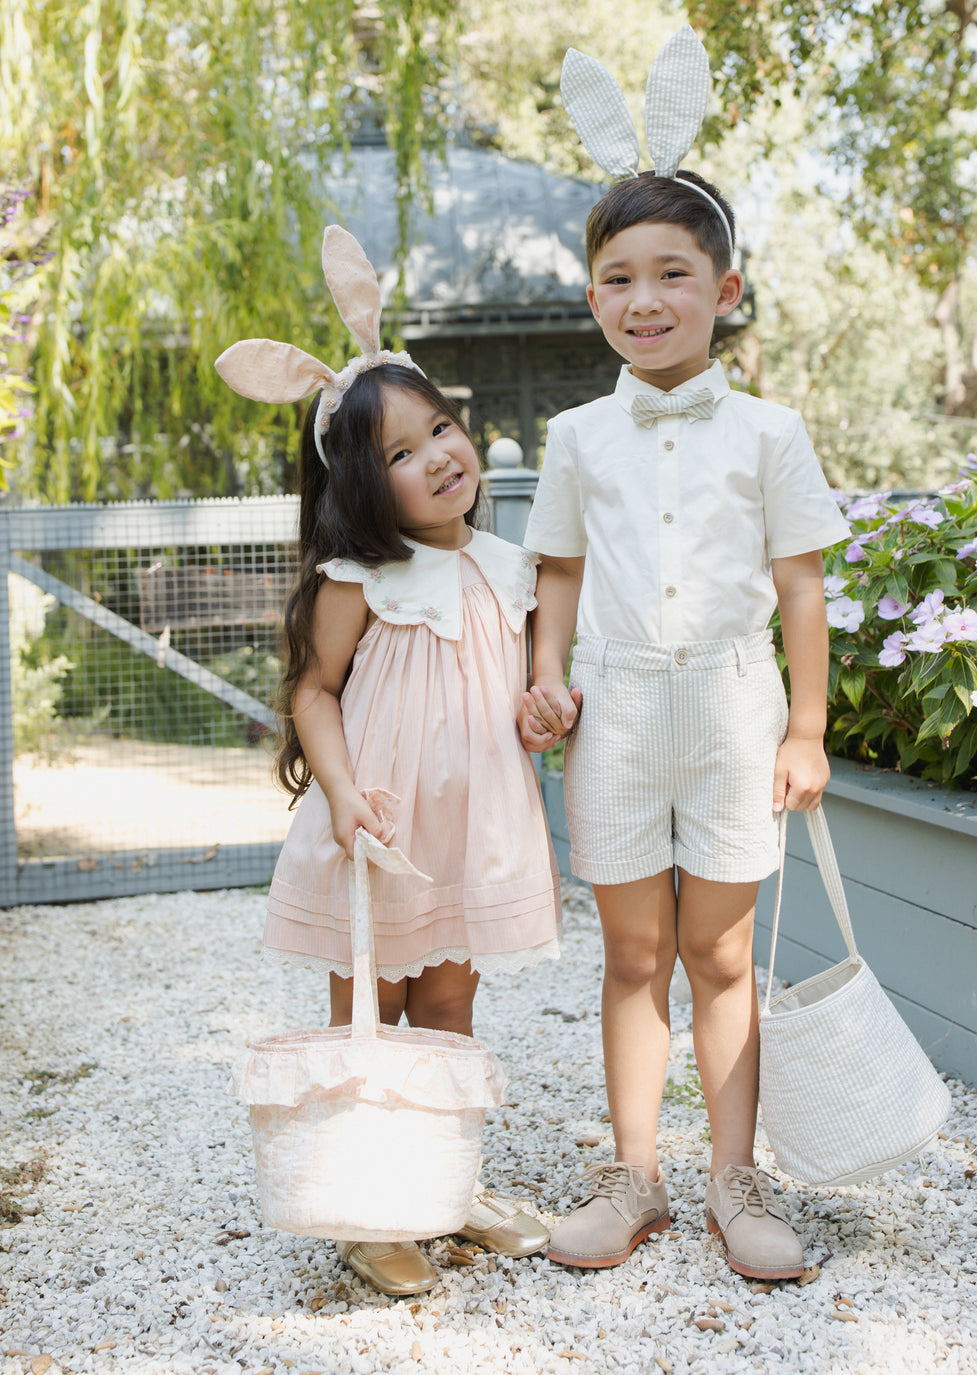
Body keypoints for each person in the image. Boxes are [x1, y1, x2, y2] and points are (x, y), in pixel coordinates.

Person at [519, 29, 850, 1281]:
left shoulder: (769, 431)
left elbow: (799, 585)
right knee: (630, 954)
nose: (643, 299)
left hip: (729, 708)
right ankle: (632, 1177)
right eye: (616, 277)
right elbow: (556, 575)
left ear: (724, 289)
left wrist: (805, 727)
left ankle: (733, 1179)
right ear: (590, 297)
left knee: (718, 954)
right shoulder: (573, 437)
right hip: (610, 711)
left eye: (671, 273)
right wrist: (545, 680)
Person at [216, 226, 560, 1297]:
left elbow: (516, 689)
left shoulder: (508, 566)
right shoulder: (357, 575)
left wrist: (546, 709)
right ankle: (366, 1204)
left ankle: (444, 1185)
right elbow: (314, 690)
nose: (438, 456)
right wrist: (338, 791)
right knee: (369, 1016)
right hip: (382, 828)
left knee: (450, 1014)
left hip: (471, 834)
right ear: (365, 488)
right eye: (400, 455)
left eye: (440, 428)